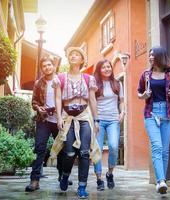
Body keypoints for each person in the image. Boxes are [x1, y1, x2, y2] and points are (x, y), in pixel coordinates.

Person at [50, 47, 101, 199]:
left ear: (81, 60)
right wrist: (59, 117)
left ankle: (82, 187)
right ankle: (65, 175)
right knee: (69, 152)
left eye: (76, 54)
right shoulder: (60, 77)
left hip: (84, 116)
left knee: (85, 153)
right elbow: (58, 98)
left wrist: (96, 120)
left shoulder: (88, 78)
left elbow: (92, 99)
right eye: (71, 54)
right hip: (67, 117)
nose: (73, 56)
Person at [137, 46, 170, 194]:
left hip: (168, 114)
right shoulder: (145, 75)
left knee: (164, 150)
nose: (150, 57)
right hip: (151, 113)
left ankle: (162, 180)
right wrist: (144, 95)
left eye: (153, 55)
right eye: (149, 55)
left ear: (160, 57)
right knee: (156, 146)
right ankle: (161, 181)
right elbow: (139, 93)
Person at [25, 56, 71, 192]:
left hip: (59, 119)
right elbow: (34, 102)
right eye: (44, 66)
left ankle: (62, 176)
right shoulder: (39, 83)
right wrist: (38, 108)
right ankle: (34, 180)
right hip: (43, 120)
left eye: (49, 65)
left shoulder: (61, 80)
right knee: (39, 148)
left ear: (54, 66)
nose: (47, 67)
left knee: (62, 148)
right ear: (42, 68)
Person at [92, 59, 124, 191]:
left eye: (108, 66)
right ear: (99, 69)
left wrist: (122, 112)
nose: (107, 69)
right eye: (104, 67)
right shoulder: (95, 84)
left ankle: (110, 173)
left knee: (113, 145)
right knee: (97, 150)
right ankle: (99, 179)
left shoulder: (117, 84)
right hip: (99, 120)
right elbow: (92, 102)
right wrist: (95, 120)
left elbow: (121, 101)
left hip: (113, 120)